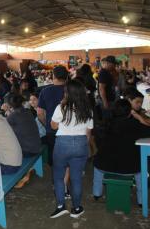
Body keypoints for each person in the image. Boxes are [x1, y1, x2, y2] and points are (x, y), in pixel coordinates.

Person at [93, 99, 150, 206]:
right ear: (130, 112)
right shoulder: (135, 125)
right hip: (130, 167)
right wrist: (140, 118)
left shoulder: (105, 124)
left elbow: (98, 143)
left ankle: (97, 193)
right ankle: (141, 201)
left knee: (97, 165)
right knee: (141, 171)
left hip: (105, 165)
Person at [50, 79, 93, 219]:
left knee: (58, 176)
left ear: (67, 92)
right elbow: (88, 132)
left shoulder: (61, 107)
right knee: (76, 178)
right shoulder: (88, 109)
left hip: (63, 143)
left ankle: (61, 206)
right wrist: (83, 146)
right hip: (81, 143)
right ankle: (76, 208)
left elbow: (53, 126)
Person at [37, 65, 69, 166]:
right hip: (70, 129)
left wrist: (47, 123)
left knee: (55, 156)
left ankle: (57, 177)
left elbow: (40, 113)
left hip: (52, 130)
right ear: (67, 77)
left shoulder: (45, 91)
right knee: (69, 156)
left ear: (53, 76)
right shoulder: (72, 90)